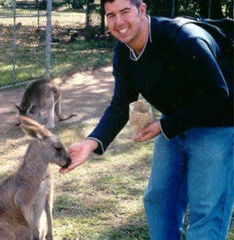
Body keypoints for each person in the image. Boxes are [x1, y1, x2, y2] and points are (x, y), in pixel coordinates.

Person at [60, 0, 234, 239]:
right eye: (111, 15)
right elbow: (121, 102)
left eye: (124, 12)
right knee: (159, 199)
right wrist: (90, 142)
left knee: (206, 210)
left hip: (218, 123)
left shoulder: (185, 39)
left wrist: (163, 125)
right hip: (174, 121)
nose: (118, 22)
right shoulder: (124, 50)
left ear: (142, 10)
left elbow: (218, 94)